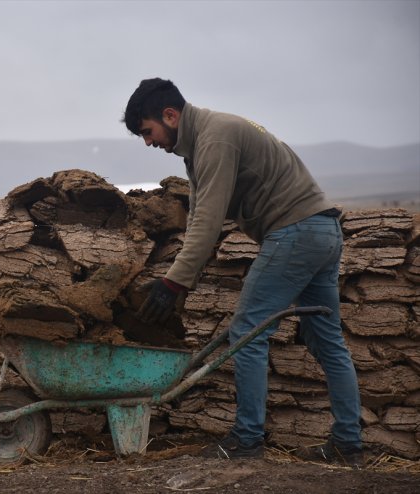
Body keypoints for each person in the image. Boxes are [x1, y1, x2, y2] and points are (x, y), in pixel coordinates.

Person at [125, 78, 363, 467]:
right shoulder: (205, 140)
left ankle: (247, 439)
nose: (149, 142)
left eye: (147, 131)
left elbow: (206, 220)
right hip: (322, 230)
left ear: (170, 115)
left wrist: (172, 283)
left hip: (296, 232)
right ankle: (348, 445)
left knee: (248, 333)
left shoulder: (215, 139)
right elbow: (202, 219)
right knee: (327, 341)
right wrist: (184, 279)